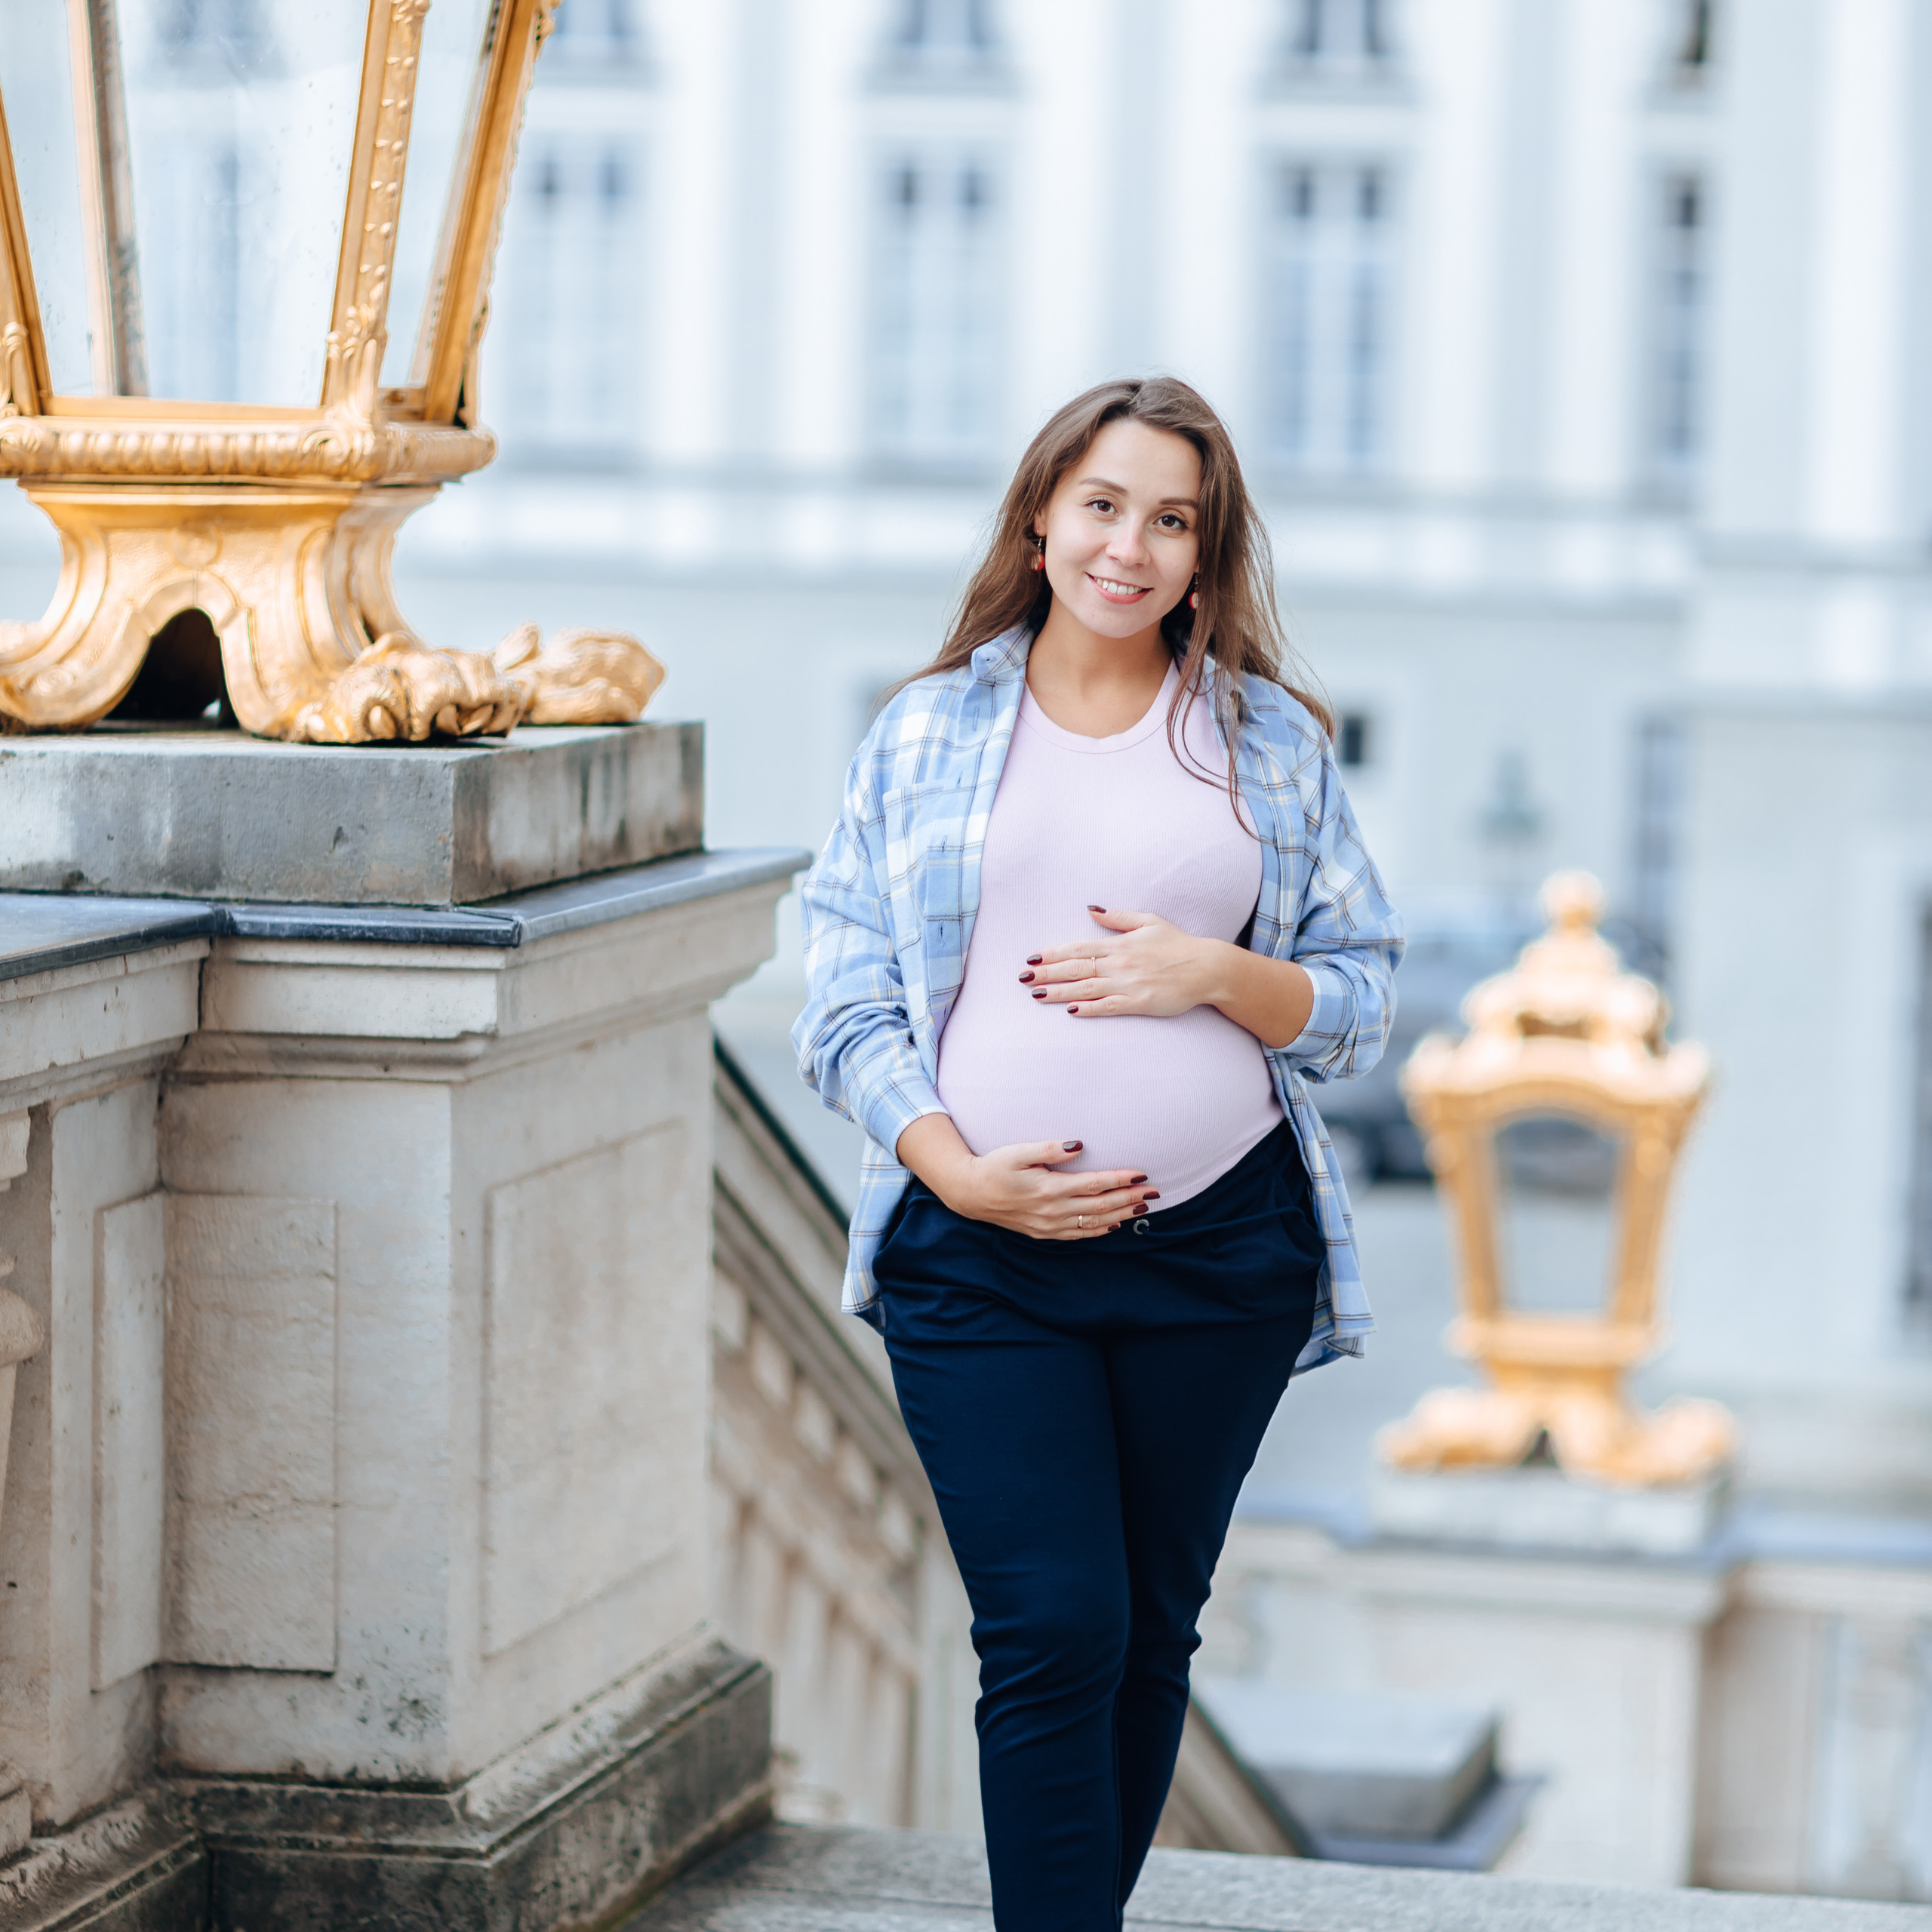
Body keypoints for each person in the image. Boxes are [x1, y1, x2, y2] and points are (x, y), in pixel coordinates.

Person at [791, 376, 1402, 1930]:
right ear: (1040, 517)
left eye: (1173, 519)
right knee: (1054, 1620)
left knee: (1148, 1630)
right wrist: (950, 1164)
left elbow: (1359, 1002)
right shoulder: (927, 728)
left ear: (1206, 559)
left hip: (1220, 1256)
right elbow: (845, 986)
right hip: (980, 1255)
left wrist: (1211, 971)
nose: (1130, 544)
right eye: (1104, 504)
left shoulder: (1264, 745)